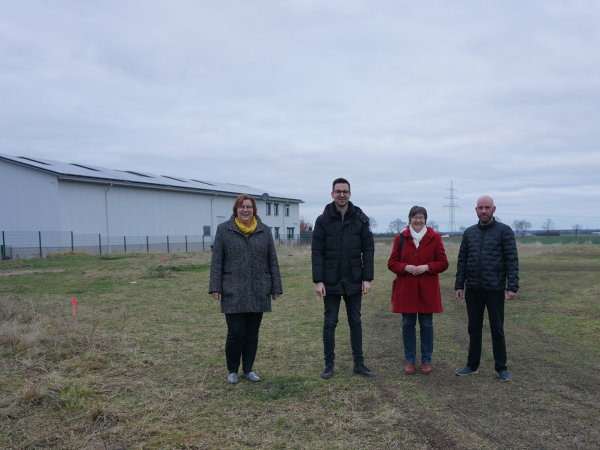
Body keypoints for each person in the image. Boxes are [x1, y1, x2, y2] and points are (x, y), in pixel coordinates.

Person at [209, 194, 283, 384]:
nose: (245, 210)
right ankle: (232, 370)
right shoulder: (224, 230)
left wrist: (276, 287)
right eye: (242, 206)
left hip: (258, 290)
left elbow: (272, 261)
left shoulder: (264, 231)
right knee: (236, 333)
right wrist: (215, 287)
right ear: (236, 209)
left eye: (249, 207)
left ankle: (248, 369)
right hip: (233, 289)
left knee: (252, 334)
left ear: (254, 210)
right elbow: (217, 261)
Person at [311, 177, 375, 379]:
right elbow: (317, 252)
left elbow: (369, 249)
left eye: (345, 191)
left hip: (355, 279)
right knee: (330, 322)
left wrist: (367, 278)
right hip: (330, 280)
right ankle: (329, 365)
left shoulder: (360, 218)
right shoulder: (323, 220)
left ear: (350, 194)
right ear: (332, 194)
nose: (342, 194)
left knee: (355, 321)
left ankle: (359, 363)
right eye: (338, 191)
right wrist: (318, 280)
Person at [455, 195, 519, 382]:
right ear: (476, 210)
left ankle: (501, 367)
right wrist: (459, 284)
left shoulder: (504, 231)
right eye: (480, 208)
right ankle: (472, 365)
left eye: (487, 207)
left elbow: (511, 260)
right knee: (474, 329)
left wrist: (512, 286)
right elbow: (462, 261)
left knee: (497, 329)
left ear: (494, 209)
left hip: (495, 289)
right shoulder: (469, 233)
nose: (484, 211)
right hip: (473, 289)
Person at [388, 206, 448, 374]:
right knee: (407, 324)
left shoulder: (435, 238)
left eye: (421, 217)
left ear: (425, 219)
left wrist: (427, 267)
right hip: (406, 289)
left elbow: (443, 263)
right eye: (415, 217)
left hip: (427, 290)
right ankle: (410, 360)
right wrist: (405, 267)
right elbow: (392, 263)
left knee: (427, 325)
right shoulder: (400, 238)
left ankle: (426, 360)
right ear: (410, 219)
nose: (418, 220)